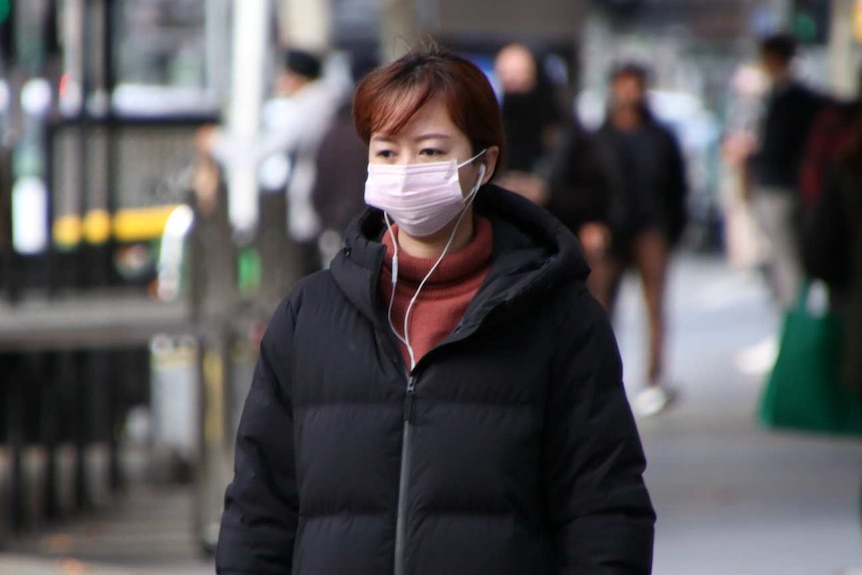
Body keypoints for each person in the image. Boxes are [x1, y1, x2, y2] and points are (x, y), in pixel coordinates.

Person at [215, 46, 655, 575]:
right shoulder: (309, 317)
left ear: (484, 163)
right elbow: (258, 511)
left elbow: (604, 511)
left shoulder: (559, 318)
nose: (404, 171)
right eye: (386, 152)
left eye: (429, 151)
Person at [589, 62, 688, 417]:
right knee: (599, 307)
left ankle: (655, 378)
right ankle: (596, 377)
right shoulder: (600, 136)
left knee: (655, 306)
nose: (631, 93)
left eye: (637, 86)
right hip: (611, 230)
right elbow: (590, 184)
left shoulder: (660, 136)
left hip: (651, 227)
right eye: (625, 86)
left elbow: (677, 187)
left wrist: (672, 229)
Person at [198, 49, 339, 276]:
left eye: (284, 74)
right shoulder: (327, 103)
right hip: (325, 204)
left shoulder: (310, 107)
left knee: (311, 274)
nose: (279, 80)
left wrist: (216, 142)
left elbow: (265, 149)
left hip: (316, 205)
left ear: (297, 77)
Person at [749, 33, 825, 309]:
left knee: (787, 259)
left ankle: (796, 316)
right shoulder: (791, 97)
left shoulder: (790, 98)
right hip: (785, 185)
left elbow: (779, 146)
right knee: (786, 258)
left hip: (782, 187)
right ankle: (794, 311)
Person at [493, 43, 561, 205]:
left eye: (520, 76)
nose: (514, 84)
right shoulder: (490, 126)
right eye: (507, 77)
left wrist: (546, 190)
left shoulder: (561, 129)